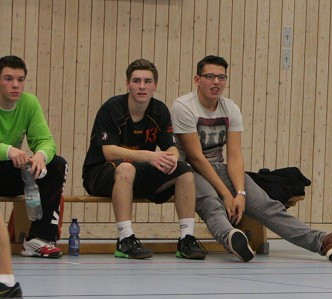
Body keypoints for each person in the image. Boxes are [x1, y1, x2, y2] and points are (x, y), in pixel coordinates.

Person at [171, 55, 332, 263]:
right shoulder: (184, 107)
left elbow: (235, 155)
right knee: (213, 203)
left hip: (220, 168)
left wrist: (240, 193)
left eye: (221, 78)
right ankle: (231, 238)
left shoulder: (230, 108)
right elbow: (195, 158)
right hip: (189, 172)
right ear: (197, 80)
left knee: (268, 205)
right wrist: (226, 194)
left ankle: (324, 241)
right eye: (210, 76)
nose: (216, 82)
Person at [83, 59, 208, 260]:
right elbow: (109, 152)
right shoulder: (112, 108)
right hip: (100, 174)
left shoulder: (159, 111)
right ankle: (125, 239)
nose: (142, 86)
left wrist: (172, 158)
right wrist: (149, 156)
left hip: (137, 174)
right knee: (126, 168)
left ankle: (186, 238)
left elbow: (170, 147)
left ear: (155, 86)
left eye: (148, 81)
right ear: (127, 84)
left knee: (184, 170)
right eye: (137, 81)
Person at [0, 55, 67, 258]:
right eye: (8, 78)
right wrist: (8, 150)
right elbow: (9, 151)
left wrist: (40, 156)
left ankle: (38, 238)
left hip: (9, 172)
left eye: (20, 80)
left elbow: (46, 141)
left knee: (56, 165)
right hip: (6, 160)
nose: (15, 85)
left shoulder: (29, 103)